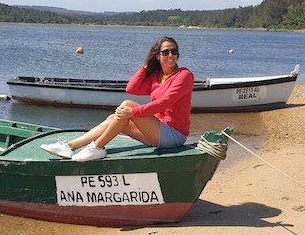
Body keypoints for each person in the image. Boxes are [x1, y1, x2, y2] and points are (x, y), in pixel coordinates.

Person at [40, 36, 194, 162]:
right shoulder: (157, 76)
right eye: (165, 52)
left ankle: (97, 147)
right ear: (158, 56)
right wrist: (146, 66)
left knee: (127, 105)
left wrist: (132, 112)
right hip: (156, 133)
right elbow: (132, 88)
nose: (170, 55)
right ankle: (69, 146)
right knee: (115, 117)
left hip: (174, 136)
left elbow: (163, 103)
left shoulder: (184, 75)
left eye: (173, 51)